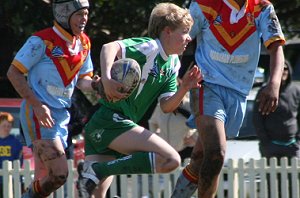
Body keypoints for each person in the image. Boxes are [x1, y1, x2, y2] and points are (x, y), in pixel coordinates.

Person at [76, 2, 202, 198]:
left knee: (93, 194)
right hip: (111, 119)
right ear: (167, 31)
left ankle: (97, 170)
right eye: (185, 31)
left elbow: (167, 106)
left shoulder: (173, 63)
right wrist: (107, 79)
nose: (189, 38)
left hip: (108, 125)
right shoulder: (151, 47)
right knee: (171, 159)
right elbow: (109, 48)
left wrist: (184, 88)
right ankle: (99, 170)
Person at [171, 0, 286, 197]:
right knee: (217, 153)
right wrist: (173, 83)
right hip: (206, 85)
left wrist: (274, 83)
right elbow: (180, 40)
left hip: (239, 92)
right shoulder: (203, 5)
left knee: (201, 158)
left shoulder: (263, 8)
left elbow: (276, 48)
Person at [6, 0, 95, 197]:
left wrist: (98, 85)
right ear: (64, 13)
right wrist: (37, 105)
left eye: (87, 13)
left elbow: (83, 81)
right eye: (80, 14)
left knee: (43, 176)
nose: (85, 19)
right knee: (59, 174)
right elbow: (14, 73)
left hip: (63, 116)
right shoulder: (40, 40)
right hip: (40, 113)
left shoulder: (84, 42)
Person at [253, 60, 300, 197]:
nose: (283, 72)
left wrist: (298, 140)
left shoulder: (296, 91)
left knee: (293, 183)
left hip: (292, 145)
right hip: (271, 146)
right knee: (272, 184)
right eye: (281, 69)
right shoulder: (264, 92)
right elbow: (257, 119)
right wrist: (265, 141)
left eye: (286, 69)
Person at [0, 112, 23, 198]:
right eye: (4, 125)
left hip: (11, 180)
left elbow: (19, 161)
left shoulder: (16, 143)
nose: (6, 128)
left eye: (9, 126)